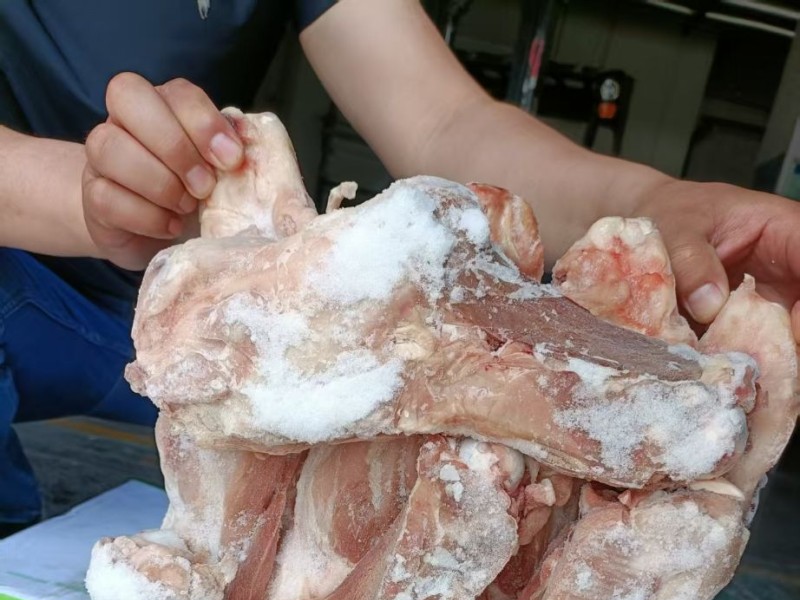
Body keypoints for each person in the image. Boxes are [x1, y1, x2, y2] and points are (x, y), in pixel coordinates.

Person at [1, 0, 798, 535]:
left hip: (215, 337)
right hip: (39, 288)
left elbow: (444, 120)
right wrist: (89, 197)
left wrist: (657, 203)